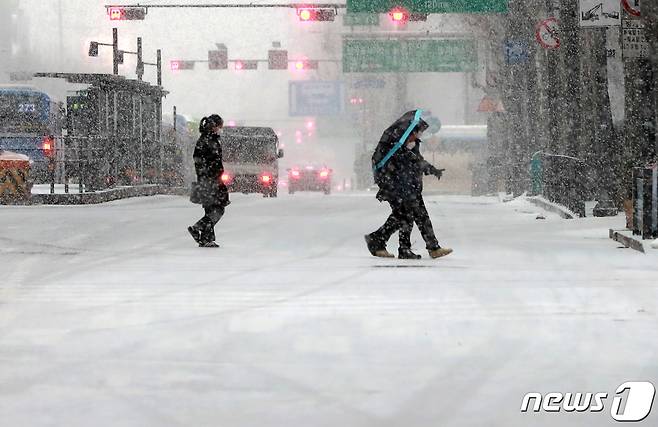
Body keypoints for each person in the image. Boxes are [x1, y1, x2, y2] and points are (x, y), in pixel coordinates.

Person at [365, 110, 452, 259]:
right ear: (409, 131)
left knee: (418, 216)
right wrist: (411, 157)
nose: (419, 135)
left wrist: (431, 169)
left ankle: (428, 247)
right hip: (395, 187)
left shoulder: (411, 144)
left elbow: (418, 162)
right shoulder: (394, 147)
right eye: (418, 131)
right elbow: (407, 162)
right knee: (404, 215)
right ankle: (379, 240)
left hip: (410, 187)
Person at [188, 114, 229, 248]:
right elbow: (203, 161)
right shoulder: (208, 140)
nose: (220, 129)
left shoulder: (207, 139)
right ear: (214, 126)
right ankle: (197, 227)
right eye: (219, 127)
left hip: (208, 180)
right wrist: (212, 175)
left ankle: (206, 239)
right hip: (211, 181)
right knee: (217, 209)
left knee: (211, 209)